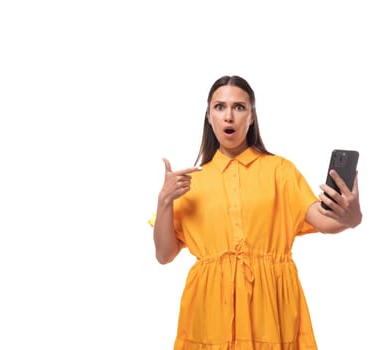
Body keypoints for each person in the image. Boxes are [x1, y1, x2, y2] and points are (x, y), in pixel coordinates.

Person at [149, 75, 362, 349]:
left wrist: (352, 217)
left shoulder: (280, 171)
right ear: (208, 116)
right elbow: (164, 254)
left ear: (251, 117)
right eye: (219, 107)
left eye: (239, 107)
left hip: (270, 308)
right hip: (209, 311)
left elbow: (323, 220)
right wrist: (164, 200)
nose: (229, 116)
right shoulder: (190, 182)